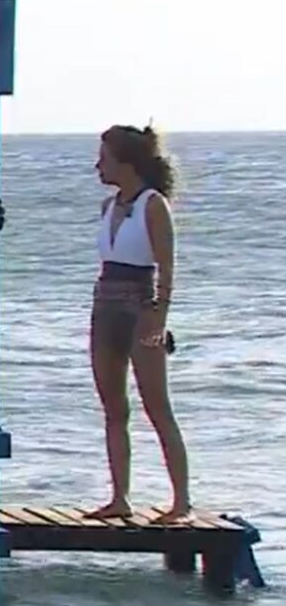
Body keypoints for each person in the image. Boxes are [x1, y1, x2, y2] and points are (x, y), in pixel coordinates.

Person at [87, 125, 189, 523]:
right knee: (114, 407)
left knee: (157, 406)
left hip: (140, 305)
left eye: (105, 159)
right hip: (105, 302)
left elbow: (166, 267)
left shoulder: (152, 204)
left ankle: (181, 502)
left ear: (126, 163)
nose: (98, 166)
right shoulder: (108, 206)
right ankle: (120, 498)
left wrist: (159, 316)